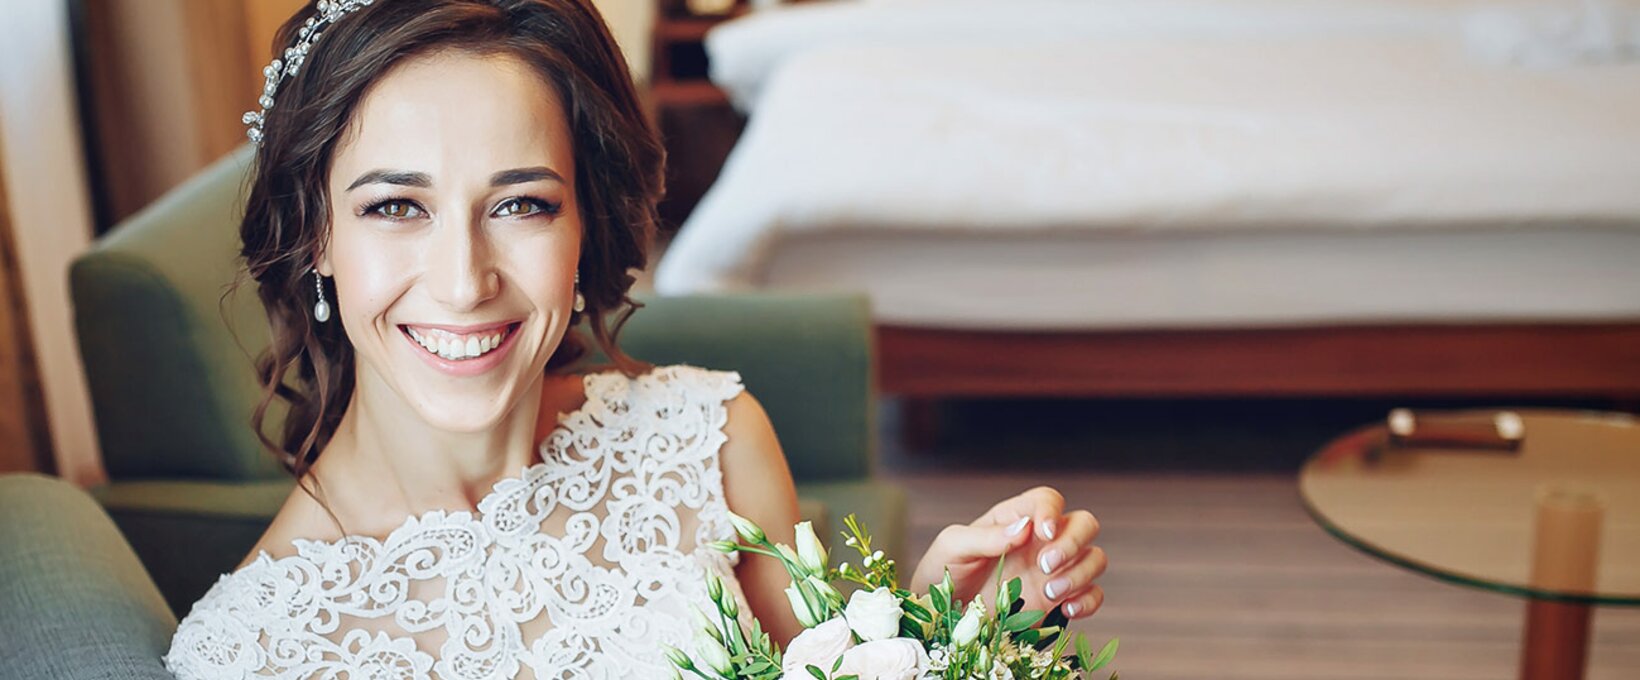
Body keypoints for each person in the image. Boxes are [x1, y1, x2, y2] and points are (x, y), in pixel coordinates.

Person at [163, 1, 1107, 677]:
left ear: (585, 230)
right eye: (396, 206)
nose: (463, 281)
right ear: (317, 232)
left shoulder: (712, 438)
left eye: (522, 203)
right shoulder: (249, 652)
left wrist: (953, 629)